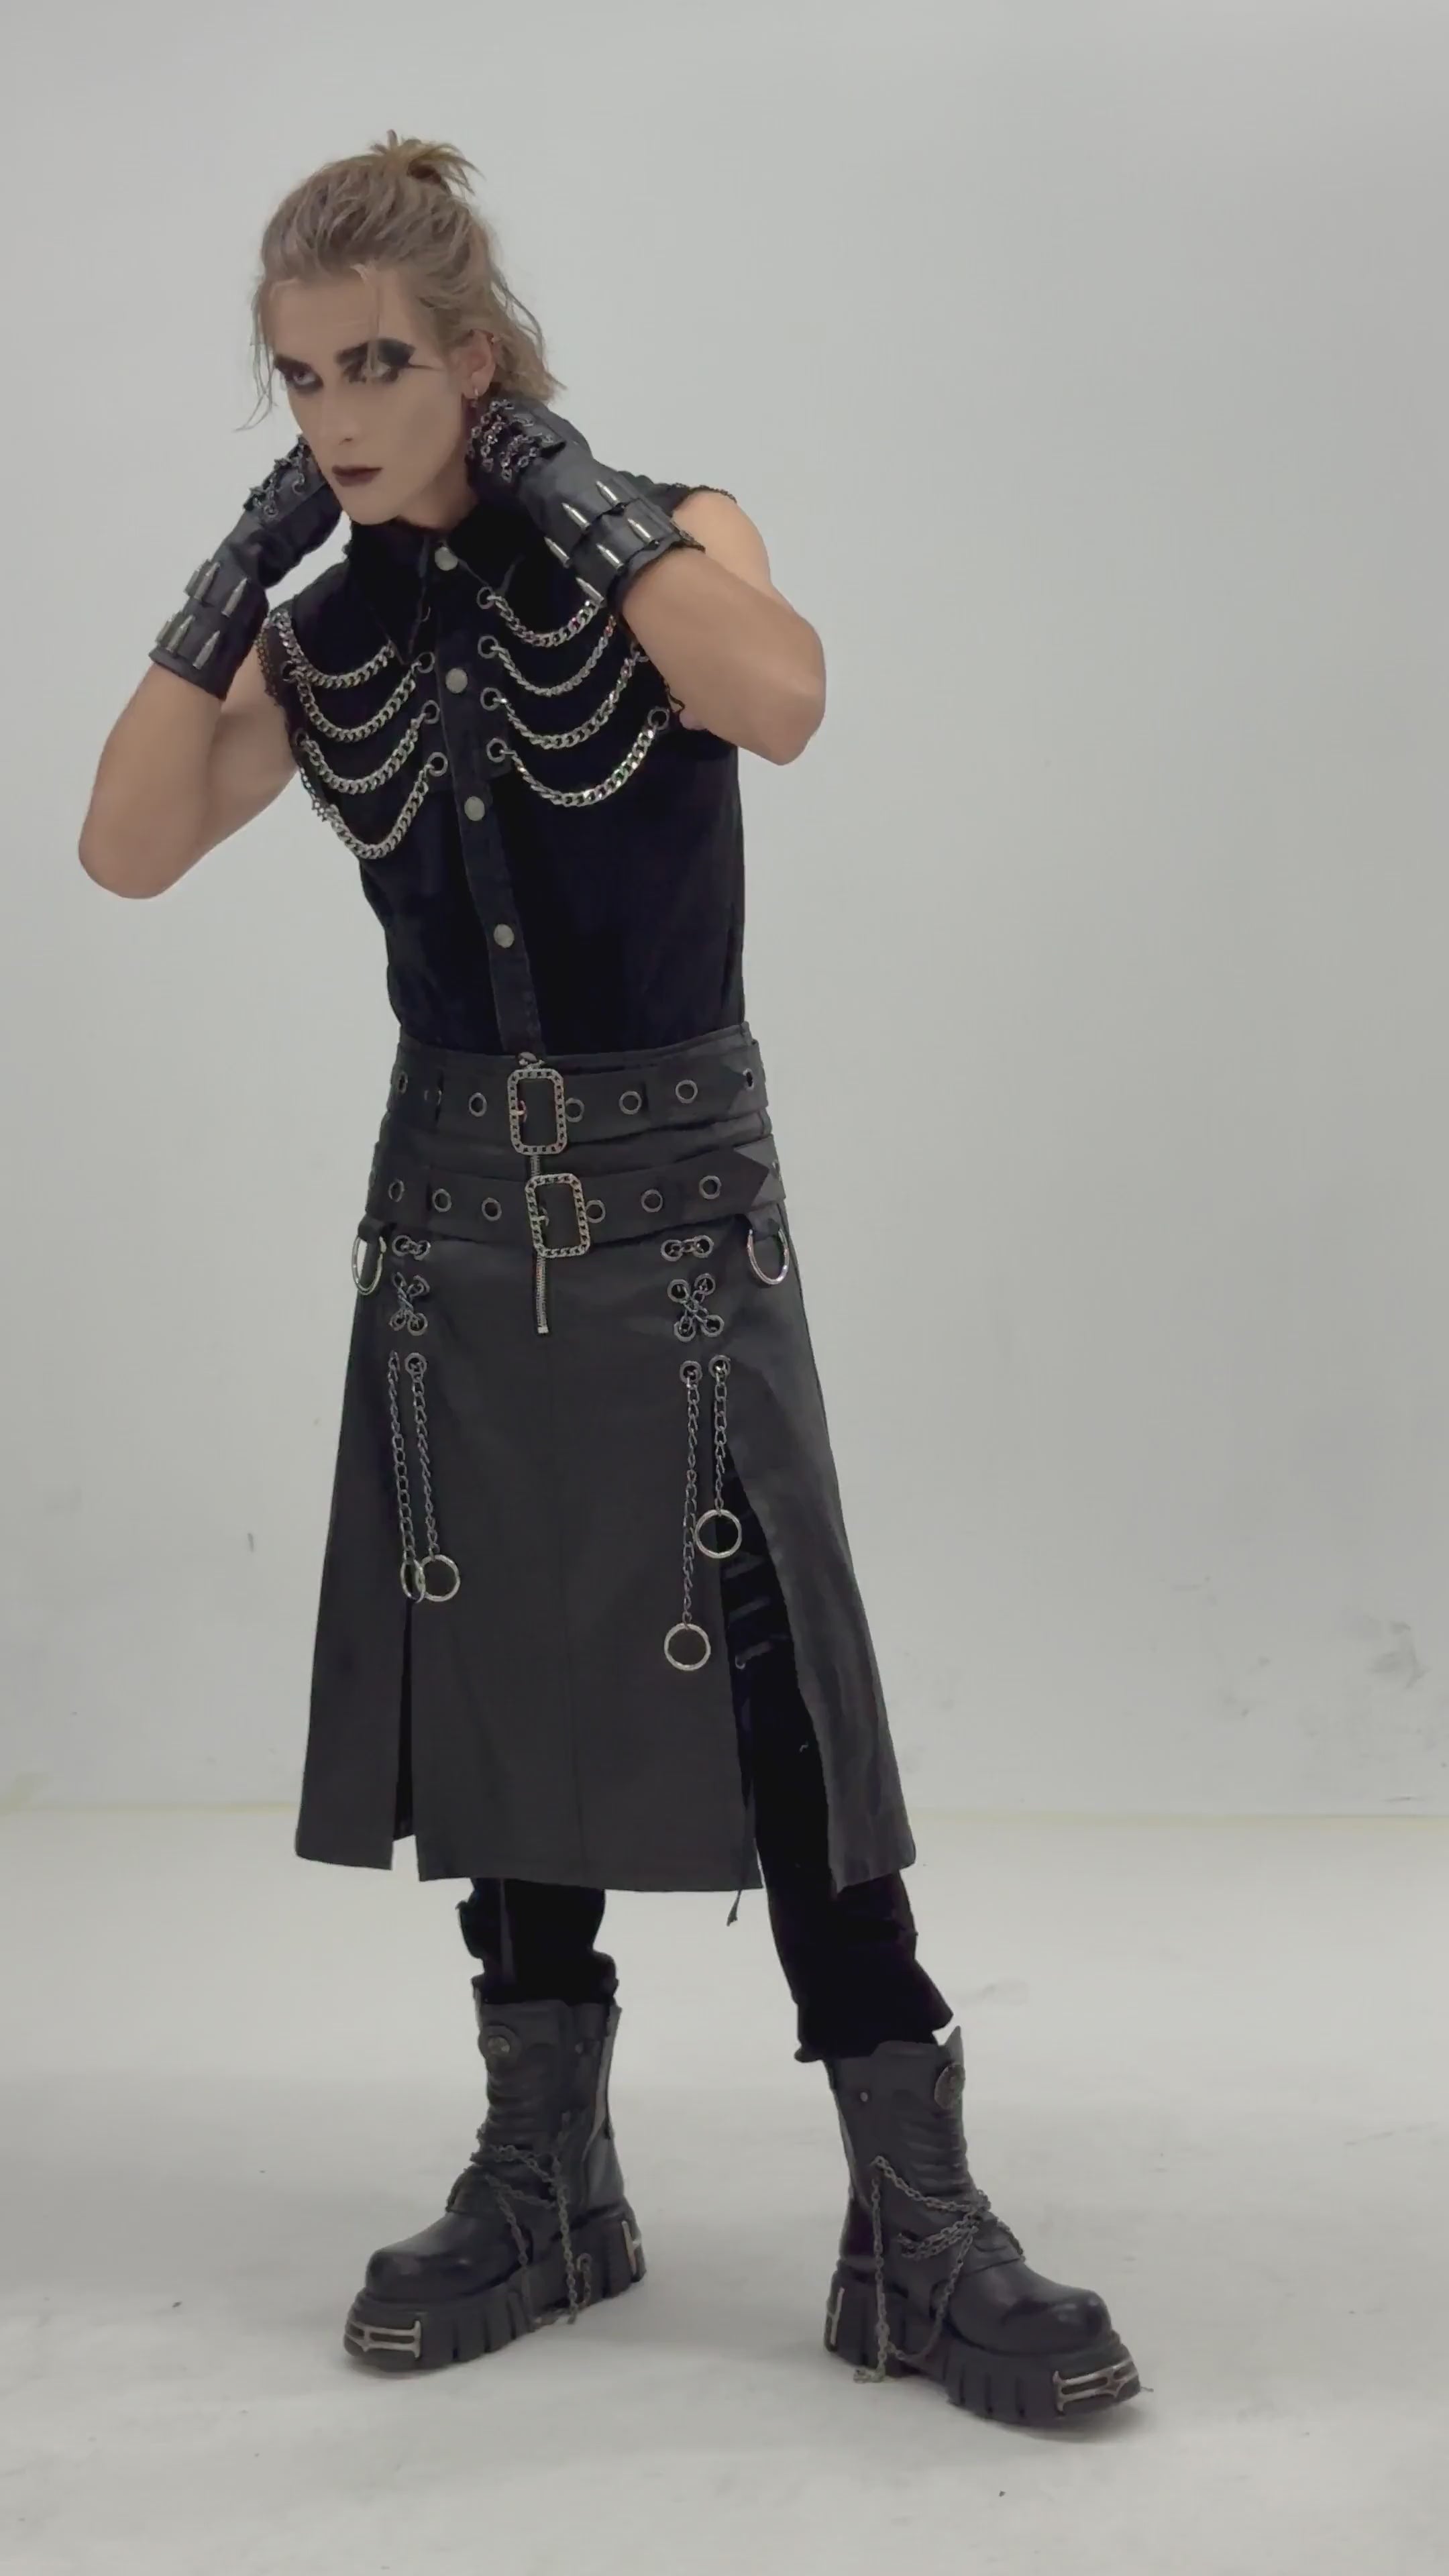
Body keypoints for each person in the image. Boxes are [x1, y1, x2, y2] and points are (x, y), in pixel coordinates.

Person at [78, 130, 1140, 2428]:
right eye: (296, 381)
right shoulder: (324, 629)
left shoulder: (671, 532)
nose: (335, 417)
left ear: (473, 355)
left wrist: (566, 490)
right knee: (497, 1678)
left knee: (781, 1693)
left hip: (677, 1216)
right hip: (451, 1217)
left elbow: (781, 696)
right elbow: (126, 844)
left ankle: (917, 2218)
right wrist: (240, 567)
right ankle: (545, 2172)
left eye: (377, 366)